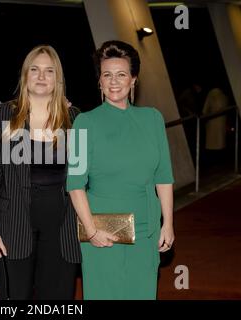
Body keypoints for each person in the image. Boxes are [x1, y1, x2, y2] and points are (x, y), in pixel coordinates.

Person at [67, 40, 175, 299]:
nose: (114, 82)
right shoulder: (85, 122)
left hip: (147, 230)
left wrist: (168, 223)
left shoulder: (153, 119)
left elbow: (163, 177)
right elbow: (74, 183)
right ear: (99, 82)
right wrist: (91, 230)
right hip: (103, 233)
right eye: (107, 75)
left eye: (121, 74)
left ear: (133, 79)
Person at [0, 45, 81, 299]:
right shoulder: (1, 115)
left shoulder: (75, 119)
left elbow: (82, 178)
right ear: (25, 75)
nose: (41, 76)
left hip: (61, 227)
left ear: (57, 79)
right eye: (34, 69)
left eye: (49, 71)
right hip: (12, 225)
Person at [202, 87, 229, 165]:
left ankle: (213, 163)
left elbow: (204, 110)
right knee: (220, 142)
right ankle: (222, 162)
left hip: (212, 123)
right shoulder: (224, 95)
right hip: (222, 122)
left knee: (212, 144)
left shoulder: (211, 94)